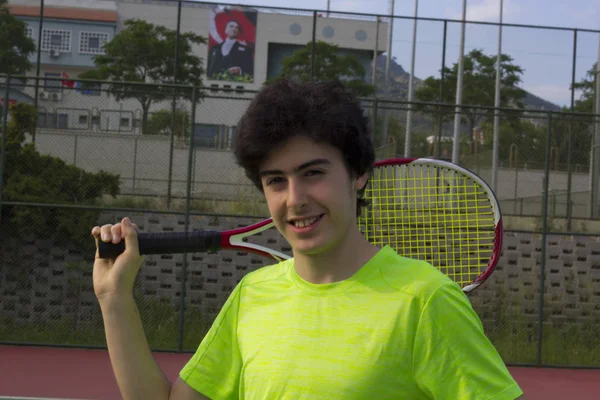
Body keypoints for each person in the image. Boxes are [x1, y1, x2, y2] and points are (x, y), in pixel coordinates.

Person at [91, 79, 526, 399]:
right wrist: (115, 300)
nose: (295, 199)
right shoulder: (253, 295)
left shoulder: (425, 300)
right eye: (276, 181)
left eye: (313, 173)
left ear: (358, 175)